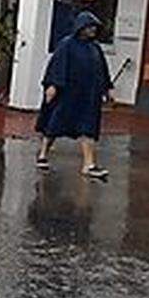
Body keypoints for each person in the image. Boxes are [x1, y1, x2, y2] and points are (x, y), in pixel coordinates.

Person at [35, 11, 113, 178]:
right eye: (89, 27)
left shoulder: (95, 48)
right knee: (55, 125)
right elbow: (57, 65)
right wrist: (53, 85)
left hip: (89, 96)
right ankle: (43, 153)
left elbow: (102, 69)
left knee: (88, 129)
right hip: (69, 94)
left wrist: (106, 88)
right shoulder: (67, 44)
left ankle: (89, 165)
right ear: (81, 27)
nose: (92, 30)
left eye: (94, 27)